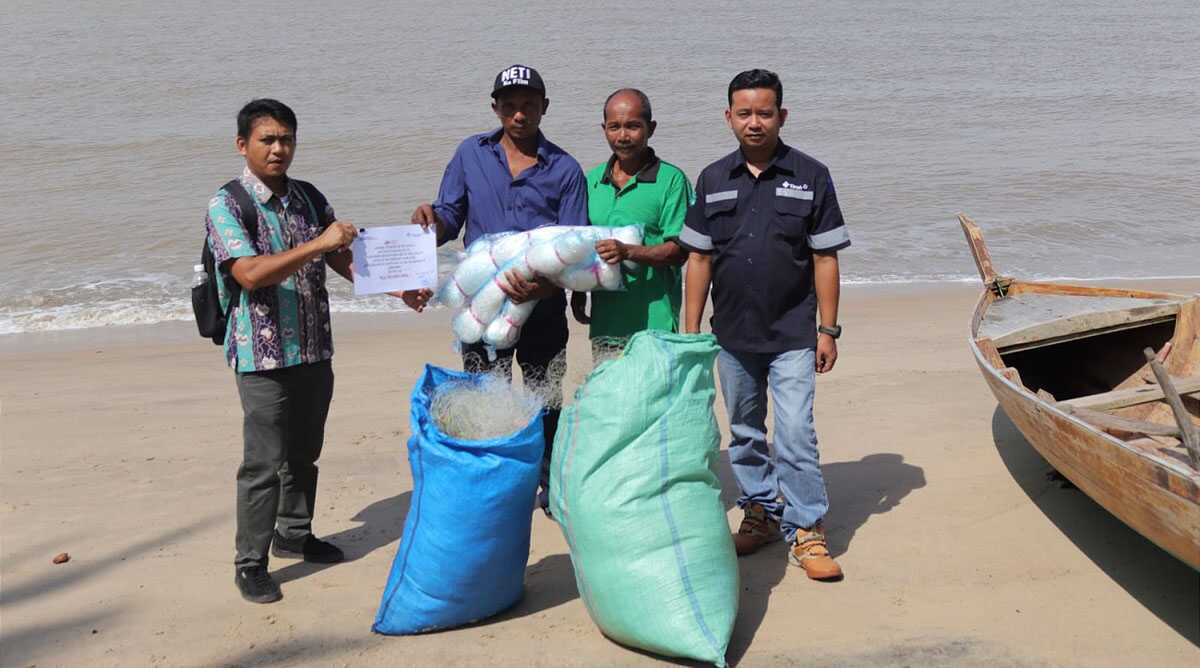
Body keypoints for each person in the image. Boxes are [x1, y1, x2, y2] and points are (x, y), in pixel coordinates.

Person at [206, 99, 423, 603]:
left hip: (312, 346)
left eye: (286, 139)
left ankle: (294, 533)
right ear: (243, 145)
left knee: (305, 451)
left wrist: (400, 289)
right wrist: (317, 245)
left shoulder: (306, 197)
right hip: (260, 356)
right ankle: (250, 563)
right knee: (263, 462)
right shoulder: (227, 203)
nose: (279, 148)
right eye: (268, 140)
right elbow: (250, 273)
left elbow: (346, 258)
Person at [678, 70, 851, 581]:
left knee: (796, 432)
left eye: (765, 113)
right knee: (746, 432)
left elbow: (825, 259)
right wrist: (692, 334)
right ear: (728, 116)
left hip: (794, 334)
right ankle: (760, 513)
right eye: (745, 113)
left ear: (782, 116)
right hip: (731, 335)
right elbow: (700, 261)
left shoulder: (811, 175)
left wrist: (829, 329)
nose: (755, 123)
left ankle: (807, 529)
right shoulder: (712, 179)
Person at [410, 65, 588, 511]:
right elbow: (451, 217)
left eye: (529, 105)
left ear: (544, 107)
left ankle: (549, 481)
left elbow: (574, 246)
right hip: (482, 306)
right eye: (510, 105)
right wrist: (430, 223)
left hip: (543, 305)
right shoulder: (470, 154)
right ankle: (496, 474)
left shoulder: (566, 169)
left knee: (544, 393)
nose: (520, 114)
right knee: (484, 391)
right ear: (496, 108)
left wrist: (543, 288)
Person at [570, 89, 691, 356]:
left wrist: (628, 252)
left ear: (651, 128)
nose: (623, 136)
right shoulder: (591, 181)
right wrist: (579, 291)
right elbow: (581, 243)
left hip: (654, 326)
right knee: (609, 397)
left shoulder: (672, 181)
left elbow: (679, 251)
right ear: (604, 129)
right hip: (606, 324)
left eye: (633, 126)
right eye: (614, 127)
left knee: (653, 398)